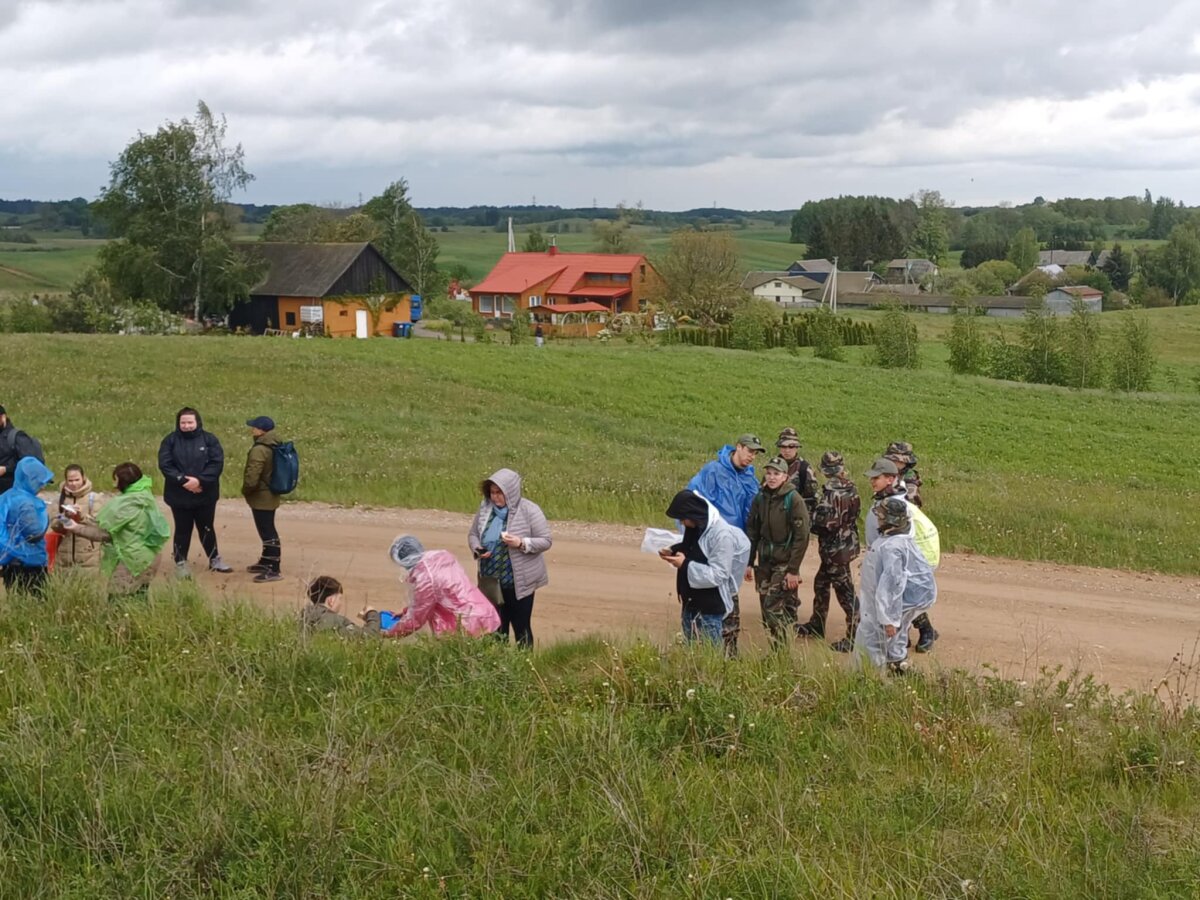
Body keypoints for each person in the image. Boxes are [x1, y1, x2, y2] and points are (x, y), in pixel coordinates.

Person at [686, 434, 763, 654]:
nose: (752, 457)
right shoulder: (713, 472)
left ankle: (729, 650)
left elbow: (752, 519)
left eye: (755, 453)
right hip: (711, 543)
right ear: (738, 447)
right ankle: (701, 644)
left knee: (729, 593)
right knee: (707, 591)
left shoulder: (750, 480)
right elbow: (693, 503)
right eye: (749, 451)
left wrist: (749, 556)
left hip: (735, 548)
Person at [58, 462, 171, 596]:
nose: (114, 484)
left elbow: (105, 533)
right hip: (149, 556)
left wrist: (76, 527)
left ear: (123, 481)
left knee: (117, 598)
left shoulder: (125, 503)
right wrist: (84, 518)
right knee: (139, 597)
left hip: (132, 560)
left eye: (116, 480)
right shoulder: (143, 494)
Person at [467, 468, 551, 647]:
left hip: (519, 583)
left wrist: (521, 543)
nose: (495, 497)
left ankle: (525, 662)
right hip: (491, 581)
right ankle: (499, 662)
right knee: (496, 628)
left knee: (521, 628)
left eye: (499, 493)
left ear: (510, 492)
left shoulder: (529, 510)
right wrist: (478, 549)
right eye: (492, 492)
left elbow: (545, 541)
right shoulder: (485, 509)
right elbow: (473, 534)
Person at [864, 456, 939, 653]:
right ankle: (897, 645)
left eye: (876, 478)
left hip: (901, 561)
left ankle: (899, 650)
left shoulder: (895, 504)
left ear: (890, 479)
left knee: (896, 602)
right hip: (890, 558)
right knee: (895, 603)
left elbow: (898, 540)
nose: (872, 481)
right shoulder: (887, 498)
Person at [855, 497, 936, 674]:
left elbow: (892, 585)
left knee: (875, 645)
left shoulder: (893, 548)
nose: (878, 518)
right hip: (885, 606)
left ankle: (873, 679)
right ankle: (897, 670)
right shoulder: (895, 540)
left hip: (884, 611)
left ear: (891, 519)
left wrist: (888, 619)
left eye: (881, 515)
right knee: (895, 642)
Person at [661, 489, 751, 647]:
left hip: (710, 607)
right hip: (691, 602)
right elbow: (695, 550)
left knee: (711, 652)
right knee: (691, 650)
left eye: (682, 518)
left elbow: (719, 574)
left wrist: (684, 564)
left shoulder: (721, 536)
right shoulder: (697, 528)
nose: (681, 523)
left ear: (693, 514)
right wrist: (673, 551)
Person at [743, 456, 810, 645]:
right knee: (766, 610)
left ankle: (781, 652)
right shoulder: (760, 498)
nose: (771, 477)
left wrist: (793, 570)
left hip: (784, 562)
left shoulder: (794, 500)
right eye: (769, 473)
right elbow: (753, 531)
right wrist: (749, 562)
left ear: (785, 477)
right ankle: (776, 650)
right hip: (765, 561)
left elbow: (802, 537)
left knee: (772, 607)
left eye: (776, 474)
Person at [158, 407, 232, 576]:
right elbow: (165, 464)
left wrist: (200, 481)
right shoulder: (170, 441)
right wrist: (184, 481)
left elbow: (216, 463)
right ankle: (181, 563)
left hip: (205, 494)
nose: (186, 426)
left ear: (197, 422)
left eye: (190, 422)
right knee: (182, 530)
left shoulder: (209, 440)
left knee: (207, 528)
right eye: (183, 422)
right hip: (179, 495)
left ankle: (214, 559)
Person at [799, 451, 861, 652]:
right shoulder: (851, 488)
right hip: (846, 545)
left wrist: (809, 518)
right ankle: (817, 624)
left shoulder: (831, 494)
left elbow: (823, 525)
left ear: (825, 470)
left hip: (834, 550)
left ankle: (855, 637)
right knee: (821, 584)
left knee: (846, 594)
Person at [382, 535, 502, 638]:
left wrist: (390, 633)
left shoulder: (425, 578)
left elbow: (416, 618)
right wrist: (406, 612)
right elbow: (442, 593)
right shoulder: (441, 556)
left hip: (468, 627)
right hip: (485, 615)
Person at [0, 457, 54, 594]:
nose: (42, 486)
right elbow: (34, 533)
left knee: (15, 598)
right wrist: (47, 517)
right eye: (40, 482)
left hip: (10, 559)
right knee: (35, 601)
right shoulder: (26, 503)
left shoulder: (6, 496)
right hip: (29, 561)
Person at [242, 415, 282, 583]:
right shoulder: (275, 444)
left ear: (261, 430)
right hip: (271, 493)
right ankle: (266, 561)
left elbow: (253, 475)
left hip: (261, 495)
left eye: (255, 427)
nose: (252, 429)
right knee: (267, 529)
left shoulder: (259, 449)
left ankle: (274, 568)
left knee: (267, 531)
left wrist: (246, 490)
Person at [49, 464, 104, 570]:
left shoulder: (94, 499)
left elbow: (99, 526)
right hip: (64, 557)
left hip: (89, 557)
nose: (74, 484)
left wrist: (81, 517)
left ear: (83, 478)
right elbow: (54, 526)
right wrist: (65, 517)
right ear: (65, 480)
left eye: (77, 480)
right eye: (70, 481)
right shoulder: (60, 499)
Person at [301, 575, 385, 635]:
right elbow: (368, 636)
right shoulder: (336, 621)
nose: (341, 603)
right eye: (339, 599)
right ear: (331, 601)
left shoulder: (303, 617)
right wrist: (371, 614)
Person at [0, 405, 45, 495]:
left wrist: (6, 469)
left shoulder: (17, 437)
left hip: (14, 491)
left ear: (3, 417)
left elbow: (30, 462)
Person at [776, 427, 818, 519]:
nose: (787, 450)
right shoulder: (773, 466)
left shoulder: (804, 469)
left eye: (791, 447)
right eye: (783, 446)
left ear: (797, 448)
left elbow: (811, 500)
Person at [885, 440, 923, 508]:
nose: (892, 463)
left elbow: (912, 503)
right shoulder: (890, 474)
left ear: (905, 462)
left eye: (895, 460)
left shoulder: (909, 477)